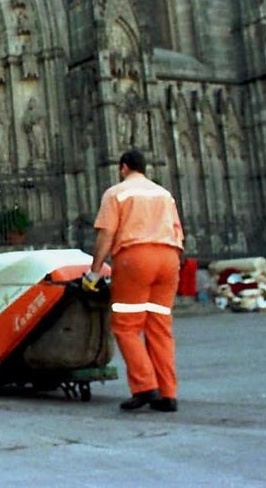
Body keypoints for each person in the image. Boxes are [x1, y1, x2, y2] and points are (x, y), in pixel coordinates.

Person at [84, 150, 184, 412]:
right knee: (159, 327)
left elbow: (106, 235)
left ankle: (144, 386)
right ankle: (168, 393)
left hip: (135, 258)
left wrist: (94, 272)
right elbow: (177, 231)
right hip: (169, 258)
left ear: (123, 168)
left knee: (126, 326)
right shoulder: (164, 194)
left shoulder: (116, 193)